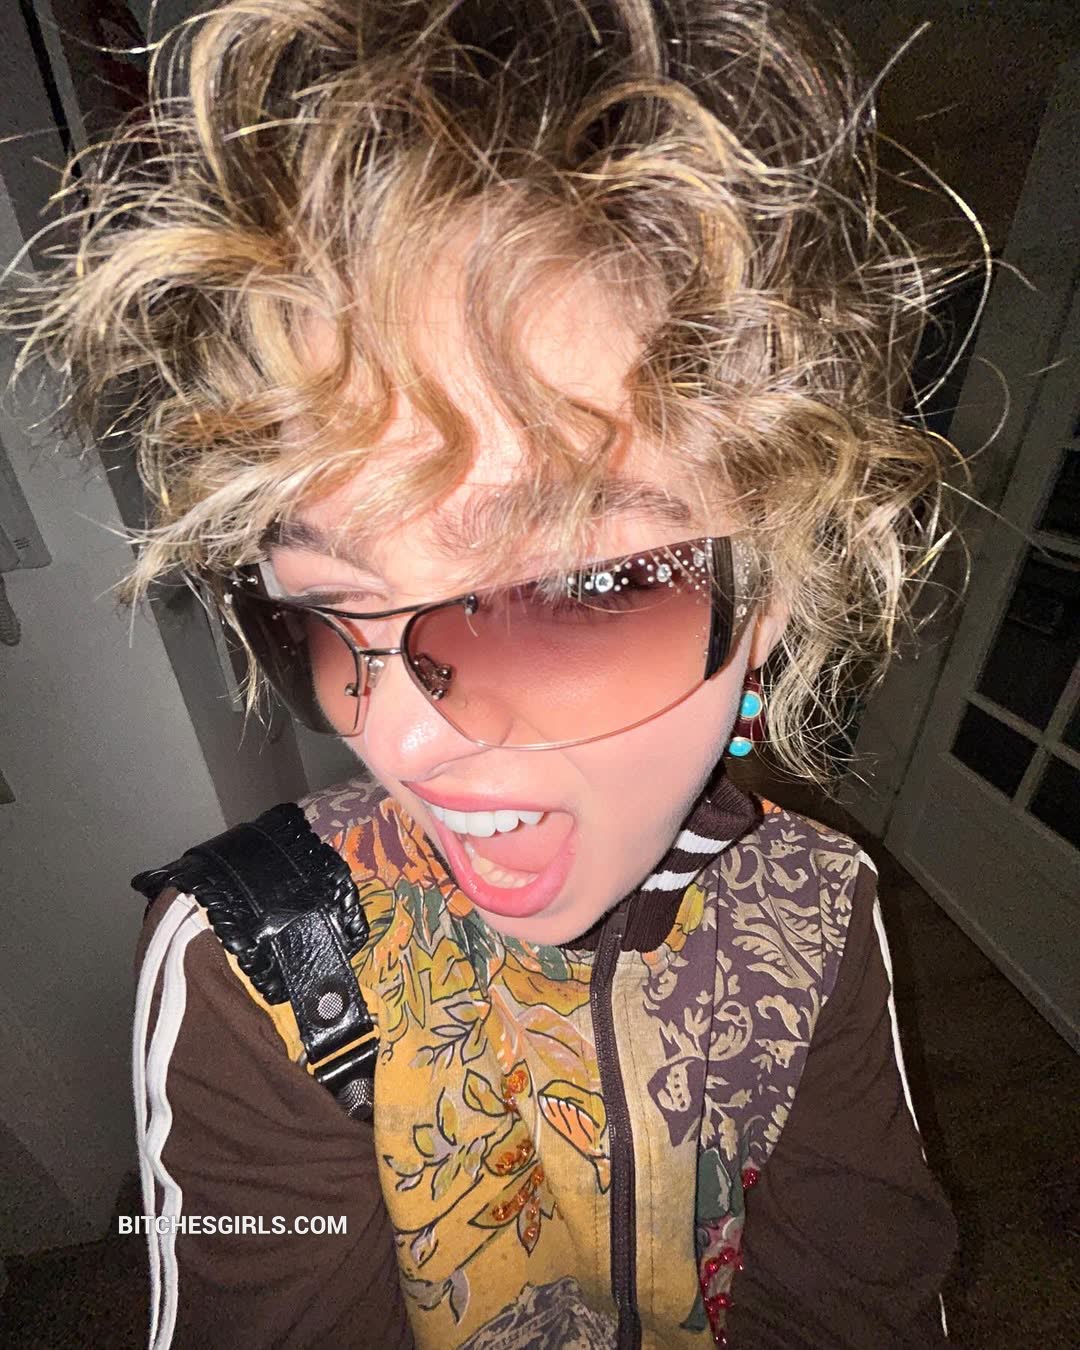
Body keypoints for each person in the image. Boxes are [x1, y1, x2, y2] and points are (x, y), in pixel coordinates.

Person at [9, 1, 962, 1345]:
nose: (399, 740)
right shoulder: (259, 959)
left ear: (774, 596)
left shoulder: (818, 906)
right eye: (327, 615)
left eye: (561, 597)